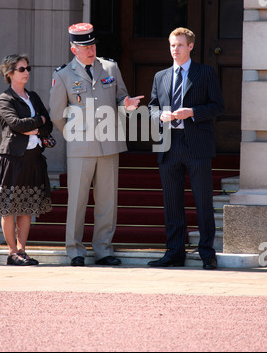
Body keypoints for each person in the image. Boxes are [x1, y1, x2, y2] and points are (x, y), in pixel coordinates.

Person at [49, 23, 143, 266]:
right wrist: (74, 135)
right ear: (74, 50)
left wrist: (127, 104)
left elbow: (121, 96)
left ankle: (103, 249)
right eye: (84, 47)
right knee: (77, 200)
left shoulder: (110, 67)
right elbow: (57, 115)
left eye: (92, 45)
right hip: (81, 147)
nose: (90, 50)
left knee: (107, 201)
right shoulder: (63, 75)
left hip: (109, 144)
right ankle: (75, 250)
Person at [148, 28, 225, 270]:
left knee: (203, 201)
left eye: (180, 45)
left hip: (197, 146)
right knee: (172, 202)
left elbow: (218, 107)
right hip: (169, 146)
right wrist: (161, 115)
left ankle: (207, 253)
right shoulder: (160, 76)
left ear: (190, 46)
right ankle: (174, 252)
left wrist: (192, 112)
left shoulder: (205, 73)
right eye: (172, 45)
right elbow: (151, 107)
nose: (175, 49)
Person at [0, 54, 53, 266]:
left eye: (28, 68)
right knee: (9, 207)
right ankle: (12, 251)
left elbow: (48, 123)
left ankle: (23, 250)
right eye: (22, 69)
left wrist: (35, 125)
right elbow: (16, 123)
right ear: (10, 74)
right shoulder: (5, 98)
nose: (27, 72)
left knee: (27, 206)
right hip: (14, 158)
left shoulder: (33, 96)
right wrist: (36, 122)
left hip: (34, 156)